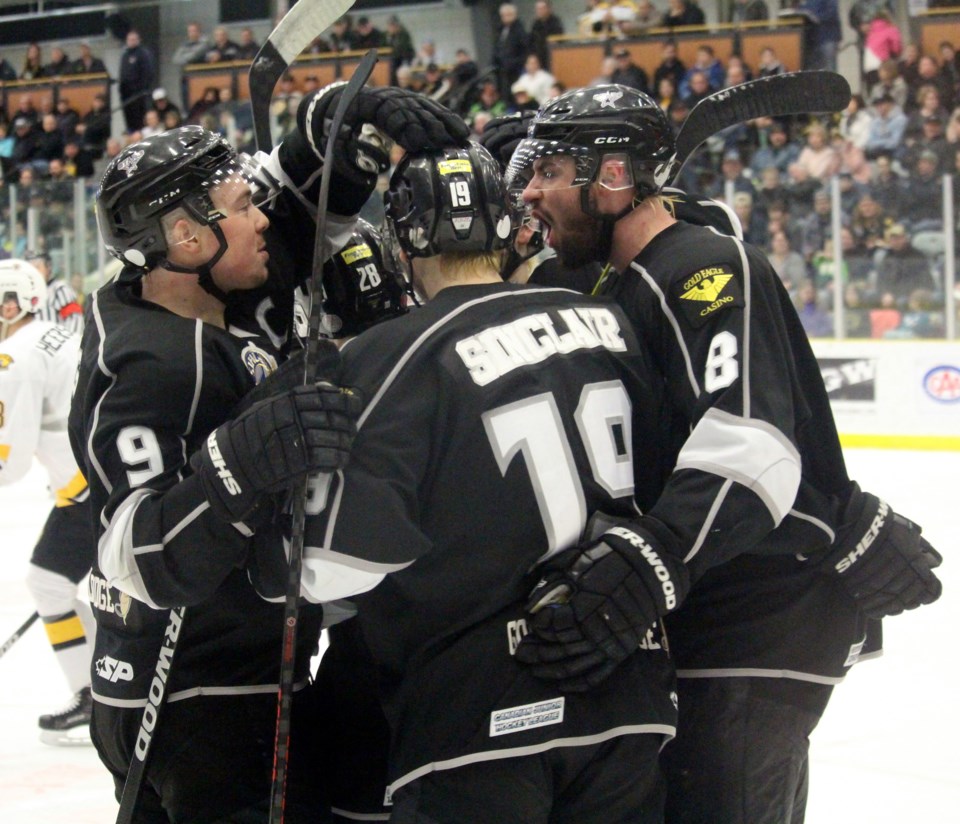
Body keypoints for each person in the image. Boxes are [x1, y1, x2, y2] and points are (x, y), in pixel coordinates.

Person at [508, 84, 942, 824]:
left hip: (754, 622)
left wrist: (652, 560)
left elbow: (749, 444)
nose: (530, 192)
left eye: (548, 172)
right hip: (716, 620)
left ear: (613, 177)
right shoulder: (631, 278)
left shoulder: (701, 268)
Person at [69, 83, 471, 820]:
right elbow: (135, 554)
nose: (262, 219)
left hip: (240, 680)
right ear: (188, 238)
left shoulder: (191, 284)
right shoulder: (160, 363)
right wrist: (237, 466)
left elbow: (298, 209)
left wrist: (341, 125)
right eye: (240, 204)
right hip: (196, 701)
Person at [294, 141, 676, 822]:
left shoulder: (391, 352)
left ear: (403, 239)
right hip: (627, 687)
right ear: (507, 224)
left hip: (476, 718)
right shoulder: (606, 320)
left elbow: (330, 567)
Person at [0, 259, 95, 745]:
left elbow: (8, 464)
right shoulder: (54, 334)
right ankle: (102, 689)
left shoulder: (13, 358)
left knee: (49, 582)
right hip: (101, 477)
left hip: (88, 490)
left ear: (13, 304)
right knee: (63, 584)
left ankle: (95, 692)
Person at [25, 250, 83, 335]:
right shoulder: (24, 293)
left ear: (48, 268)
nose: (33, 272)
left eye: (37, 267)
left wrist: (68, 346)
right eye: (30, 268)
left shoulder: (60, 290)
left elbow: (75, 320)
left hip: (55, 345)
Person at [118, 30, 156, 134]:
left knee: (140, 121)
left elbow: (148, 73)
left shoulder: (144, 54)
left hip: (139, 95)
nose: (131, 41)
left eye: (134, 39)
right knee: (129, 121)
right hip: (127, 96)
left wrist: (142, 90)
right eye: (129, 39)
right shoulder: (125, 55)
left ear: (138, 40)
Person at [530, 0, 564, 71]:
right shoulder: (535, 24)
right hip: (538, 60)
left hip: (551, 59)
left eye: (542, 8)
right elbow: (531, 40)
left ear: (548, 9)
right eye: (538, 9)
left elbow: (559, 41)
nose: (539, 11)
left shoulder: (556, 23)